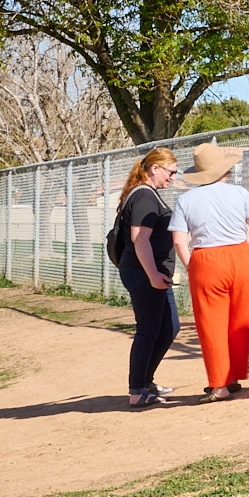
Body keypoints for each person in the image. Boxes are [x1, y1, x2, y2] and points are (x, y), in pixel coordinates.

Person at [169, 142, 249, 403]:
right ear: (223, 170)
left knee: (211, 325)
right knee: (239, 321)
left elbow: (178, 241)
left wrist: (192, 266)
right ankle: (234, 376)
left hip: (206, 260)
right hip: (241, 257)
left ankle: (219, 385)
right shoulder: (239, 193)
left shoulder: (185, 200)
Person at [113, 148, 181, 409]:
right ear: (155, 168)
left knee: (168, 328)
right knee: (149, 330)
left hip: (153, 273)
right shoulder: (144, 196)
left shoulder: (149, 194)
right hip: (143, 273)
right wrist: (153, 274)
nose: (172, 178)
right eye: (170, 172)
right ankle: (137, 390)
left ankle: (145, 381)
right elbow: (139, 238)